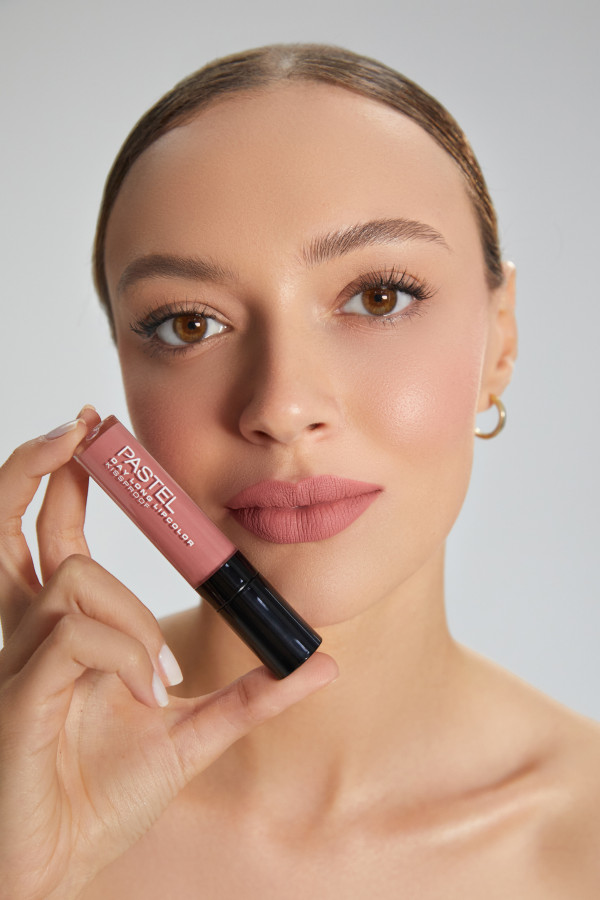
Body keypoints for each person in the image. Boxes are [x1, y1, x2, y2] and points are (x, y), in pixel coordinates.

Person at [1, 43, 599, 899]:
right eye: (187, 324)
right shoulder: (19, 797)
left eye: (379, 296)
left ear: (500, 340)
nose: (280, 406)